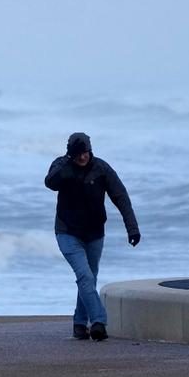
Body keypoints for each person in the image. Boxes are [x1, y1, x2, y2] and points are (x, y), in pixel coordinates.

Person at [45, 131, 140, 341]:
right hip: (67, 232)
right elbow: (49, 182)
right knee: (85, 276)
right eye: (78, 154)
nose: (82, 157)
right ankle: (99, 322)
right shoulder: (62, 165)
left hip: (95, 234)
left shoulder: (101, 168)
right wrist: (65, 169)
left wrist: (132, 228)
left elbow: (120, 196)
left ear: (90, 150)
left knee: (89, 278)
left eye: (85, 152)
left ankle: (80, 324)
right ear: (71, 153)